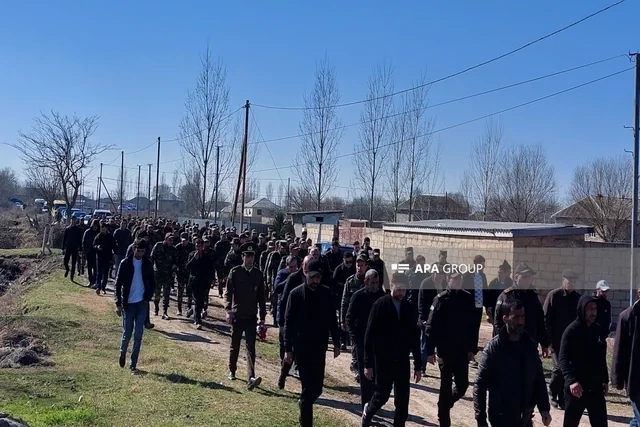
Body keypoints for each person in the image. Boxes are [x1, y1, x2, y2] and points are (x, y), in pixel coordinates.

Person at [473, 298, 552, 427]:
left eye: (523, 317)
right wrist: (481, 419)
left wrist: (544, 409)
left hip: (525, 416)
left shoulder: (529, 345)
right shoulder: (494, 349)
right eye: (516, 317)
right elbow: (480, 385)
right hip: (501, 416)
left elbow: (538, 378)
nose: (521, 321)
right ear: (505, 318)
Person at [283, 260, 341, 427]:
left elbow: (332, 319)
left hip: (319, 346)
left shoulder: (325, 293)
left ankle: (304, 403)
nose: (316, 280)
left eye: (318, 277)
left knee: (318, 388)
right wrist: (288, 349)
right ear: (306, 274)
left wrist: (337, 342)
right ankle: (306, 421)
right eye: (313, 277)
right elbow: (289, 322)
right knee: (307, 386)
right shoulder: (296, 294)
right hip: (301, 347)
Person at [361, 273, 422, 427]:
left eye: (404, 290)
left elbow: (415, 337)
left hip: (402, 359)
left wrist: (418, 365)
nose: (401, 293)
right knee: (382, 395)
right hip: (383, 358)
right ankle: (368, 411)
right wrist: (368, 364)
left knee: (402, 400)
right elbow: (369, 335)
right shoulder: (380, 305)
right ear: (391, 286)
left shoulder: (409, 308)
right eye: (399, 289)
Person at [425, 270, 477, 427]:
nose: (457, 282)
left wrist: (472, 348)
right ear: (448, 280)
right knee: (445, 386)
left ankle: (445, 405)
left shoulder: (467, 298)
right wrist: (429, 351)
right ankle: (444, 421)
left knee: (463, 385)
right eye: (454, 279)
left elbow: (473, 326)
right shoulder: (440, 299)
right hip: (445, 351)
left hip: (461, 351)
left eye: (459, 279)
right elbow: (430, 327)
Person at [559, 294, 609, 426]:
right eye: (589, 309)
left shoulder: (598, 330)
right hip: (577, 388)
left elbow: (601, 359)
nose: (593, 312)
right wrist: (571, 381)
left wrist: (605, 380)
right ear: (582, 309)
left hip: (595, 387)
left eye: (595, 309)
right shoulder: (571, 331)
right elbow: (563, 359)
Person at [224, 242, 266, 390]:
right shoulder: (235, 272)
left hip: (251, 317)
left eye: (252, 256)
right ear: (242, 257)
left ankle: (251, 378)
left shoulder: (258, 275)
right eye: (247, 256)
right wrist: (228, 310)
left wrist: (262, 318)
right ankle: (232, 369)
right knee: (234, 345)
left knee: (251, 348)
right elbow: (228, 293)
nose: (250, 259)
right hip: (237, 315)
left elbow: (262, 298)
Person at [345, 269, 386, 409]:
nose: (375, 286)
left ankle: (373, 404)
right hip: (362, 342)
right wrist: (355, 338)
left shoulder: (382, 297)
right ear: (366, 282)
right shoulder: (358, 296)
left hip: (378, 342)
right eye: (372, 283)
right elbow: (349, 318)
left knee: (377, 376)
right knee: (365, 377)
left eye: (377, 283)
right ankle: (366, 405)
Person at [114, 239, 155, 375]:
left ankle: (133, 364)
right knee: (127, 333)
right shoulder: (125, 263)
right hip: (128, 304)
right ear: (133, 249)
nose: (140, 254)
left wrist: (148, 297)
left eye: (142, 251)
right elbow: (118, 284)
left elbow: (152, 282)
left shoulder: (147, 264)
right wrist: (118, 303)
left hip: (141, 304)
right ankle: (122, 353)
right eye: (138, 251)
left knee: (138, 335)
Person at [542, 268, 581, 409]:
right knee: (558, 369)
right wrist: (547, 341)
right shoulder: (554, 296)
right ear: (563, 281)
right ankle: (553, 392)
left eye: (574, 281)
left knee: (568, 369)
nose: (572, 283)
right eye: (569, 280)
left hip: (571, 342)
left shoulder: (578, 298)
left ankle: (563, 397)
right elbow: (545, 319)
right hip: (556, 340)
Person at [494, 263, 550, 357]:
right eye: (524, 277)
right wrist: (501, 342)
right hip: (511, 345)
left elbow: (539, 320)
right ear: (516, 278)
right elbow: (498, 323)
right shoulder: (506, 296)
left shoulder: (533, 296)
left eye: (530, 277)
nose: (528, 280)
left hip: (530, 344)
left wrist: (544, 343)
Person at [611, 288, 640, 427]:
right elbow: (619, 349)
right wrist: (617, 379)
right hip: (635, 378)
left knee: (637, 419)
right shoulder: (627, 317)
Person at [341, 254, 368, 382]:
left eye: (362, 265)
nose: (359, 267)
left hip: (367, 319)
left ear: (366, 266)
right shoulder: (350, 281)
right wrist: (343, 320)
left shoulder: (370, 281)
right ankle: (356, 366)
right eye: (358, 265)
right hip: (354, 320)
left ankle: (364, 367)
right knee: (355, 345)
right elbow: (344, 301)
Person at [186, 238, 212, 329]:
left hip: (203, 282)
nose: (198, 247)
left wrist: (211, 279)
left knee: (201, 301)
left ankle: (193, 311)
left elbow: (210, 268)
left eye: (200, 246)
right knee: (197, 300)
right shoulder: (191, 254)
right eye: (197, 246)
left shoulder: (206, 255)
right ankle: (198, 320)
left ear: (202, 246)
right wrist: (194, 259)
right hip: (194, 282)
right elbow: (188, 267)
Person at [150, 233, 177, 319]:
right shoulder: (158, 245)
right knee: (157, 292)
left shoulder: (173, 249)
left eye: (172, 240)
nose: (171, 241)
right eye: (169, 239)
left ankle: (165, 312)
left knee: (166, 294)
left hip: (167, 275)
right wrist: (151, 269)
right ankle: (156, 308)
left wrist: (174, 269)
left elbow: (176, 261)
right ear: (165, 239)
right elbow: (152, 257)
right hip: (157, 273)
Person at [94, 222, 117, 295]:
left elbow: (114, 246)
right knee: (99, 272)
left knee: (105, 273)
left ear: (106, 229)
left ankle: (103, 287)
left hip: (107, 257)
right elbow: (94, 245)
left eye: (104, 229)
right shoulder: (98, 236)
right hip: (100, 256)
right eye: (102, 229)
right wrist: (97, 247)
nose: (103, 230)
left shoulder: (110, 237)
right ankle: (98, 287)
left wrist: (115, 251)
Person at [62, 217, 82, 281]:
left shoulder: (78, 229)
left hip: (75, 248)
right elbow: (64, 239)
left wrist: (80, 249)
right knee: (65, 261)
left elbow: (80, 240)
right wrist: (63, 247)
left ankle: (72, 277)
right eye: (72, 220)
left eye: (74, 220)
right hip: (68, 247)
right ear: (70, 221)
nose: (73, 221)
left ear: (75, 221)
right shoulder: (67, 229)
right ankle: (67, 269)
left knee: (73, 263)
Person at [82, 219, 100, 287]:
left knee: (95, 268)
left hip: (96, 252)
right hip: (89, 252)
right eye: (94, 226)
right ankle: (90, 281)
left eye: (96, 226)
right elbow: (84, 241)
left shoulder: (99, 233)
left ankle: (94, 281)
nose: (95, 227)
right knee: (89, 267)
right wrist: (84, 251)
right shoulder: (87, 232)